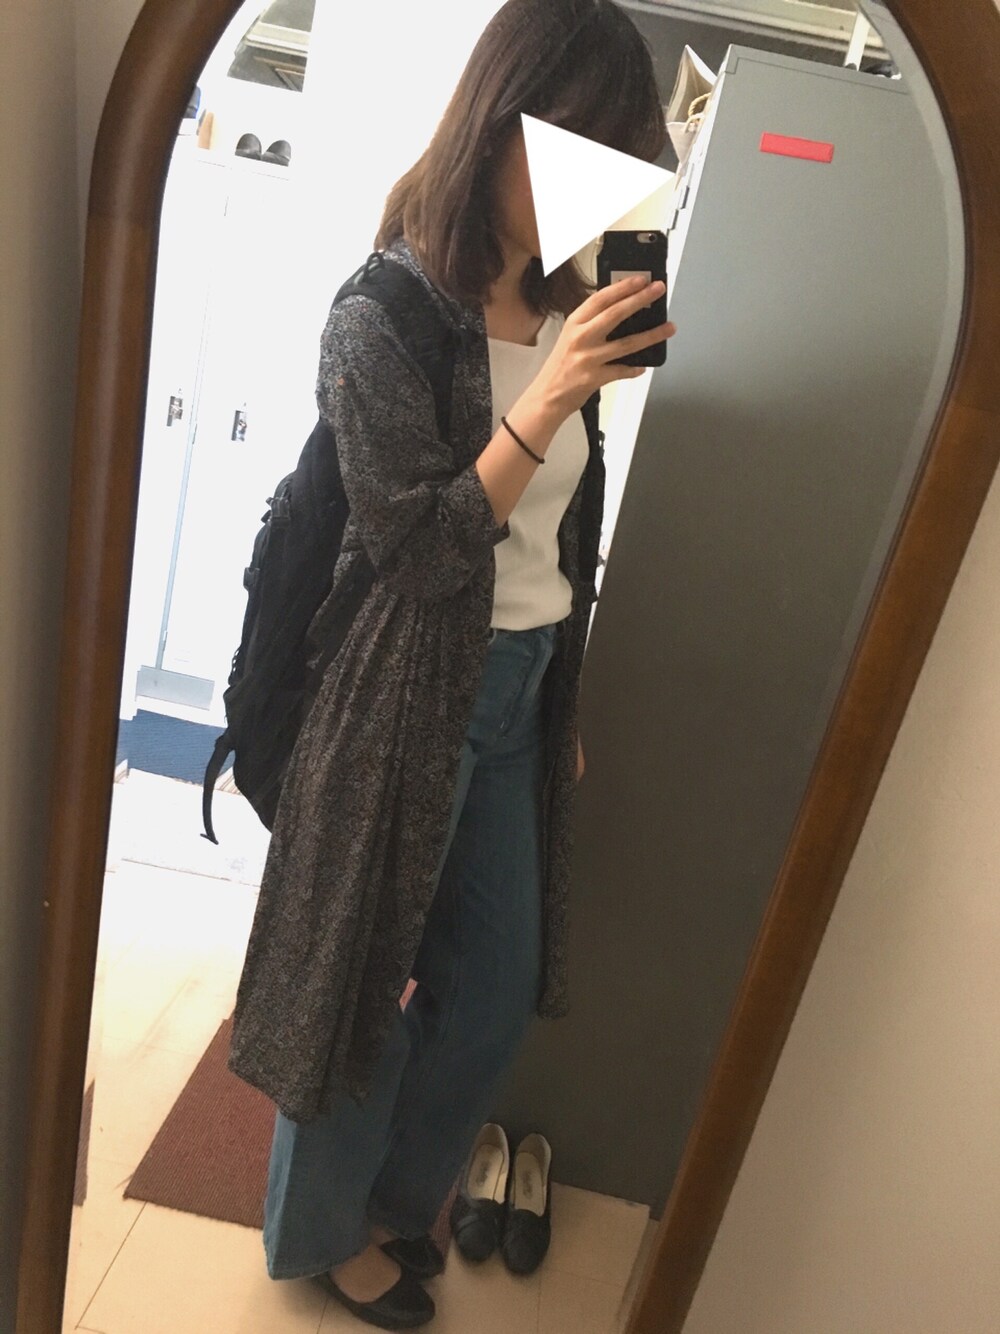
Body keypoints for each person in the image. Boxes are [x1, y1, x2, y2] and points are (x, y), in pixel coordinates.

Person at [227, 0, 677, 1326]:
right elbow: (423, 549)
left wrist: (556, 696)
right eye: (580, 150)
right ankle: (320, 1238)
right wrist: (548, 395)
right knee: (359, 981)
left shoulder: (565, 302)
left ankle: (392, 1195)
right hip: (404, 693)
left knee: (493, 988)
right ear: (501, 128)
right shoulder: (380, 314)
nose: (597, 187)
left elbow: (560, 535)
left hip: (521, 689)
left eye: (621, 162)